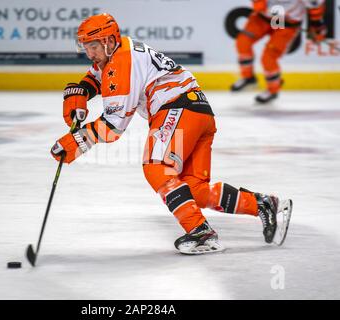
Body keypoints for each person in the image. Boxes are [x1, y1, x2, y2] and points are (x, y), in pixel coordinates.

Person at [50, 13, 292, 254]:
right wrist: (81, 90)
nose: (89, 54)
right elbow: (97, 75)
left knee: (157, 167)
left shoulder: (120, 62)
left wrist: (75, 143)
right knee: (194, 190)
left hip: (177, 109)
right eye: (86, 47)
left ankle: (202, 232)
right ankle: (263, 204)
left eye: (93, 46)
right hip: (199, 111)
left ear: (109, 41)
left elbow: (113, 127)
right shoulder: (119, 52)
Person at [231, 0, 327, 103]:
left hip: (287, 24)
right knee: (243, 42)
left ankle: (273, 90)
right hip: (263, 18)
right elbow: (258, 4)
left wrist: (316, 24)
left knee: (268, 57)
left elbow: (315, 4)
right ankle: (248, 77)